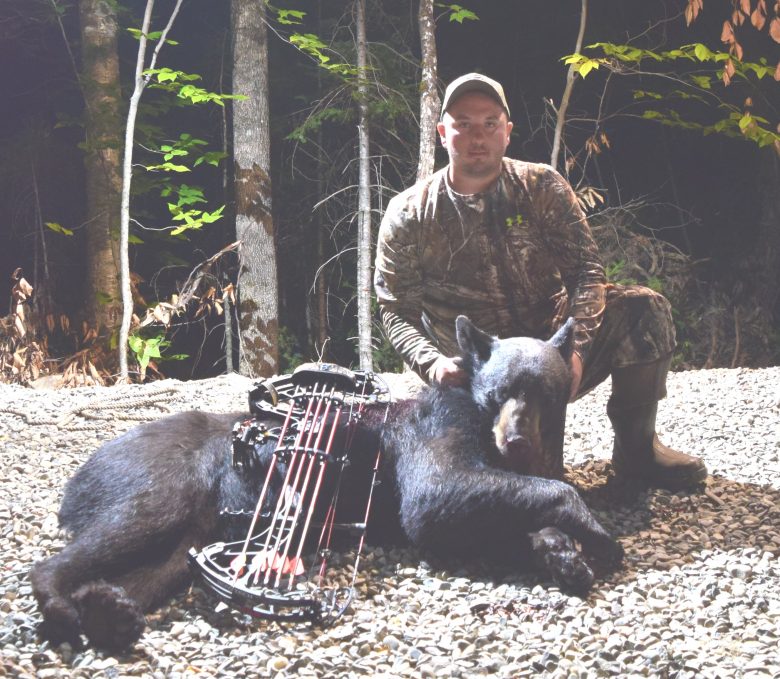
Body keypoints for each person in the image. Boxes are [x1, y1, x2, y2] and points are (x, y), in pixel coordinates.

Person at [373, 72, 707, 490]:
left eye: (490, 124)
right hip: (477, 372)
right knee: (526, 491)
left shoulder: (542, 187)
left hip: (547, 348)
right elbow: (395, 310)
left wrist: (576, 351)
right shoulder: (409, 213)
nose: (478, 136)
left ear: (507, 132)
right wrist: (433, 364)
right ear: (443, 133)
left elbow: (587, 273)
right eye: (463, 124)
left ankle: (637, 452)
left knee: (644, 308)